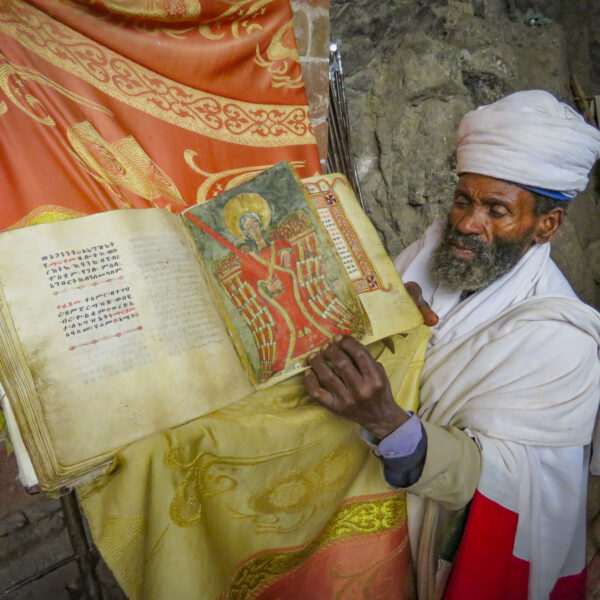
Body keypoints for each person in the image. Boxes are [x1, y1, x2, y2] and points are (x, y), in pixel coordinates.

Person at [304, 90, 600, 600]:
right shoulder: (426, 256)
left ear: (545, 226)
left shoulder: (560, 341)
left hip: (430, 548)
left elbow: (499, 487)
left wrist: (388, 423)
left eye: (496, 210)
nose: (466, 223)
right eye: (463, 200)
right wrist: (388, 320)